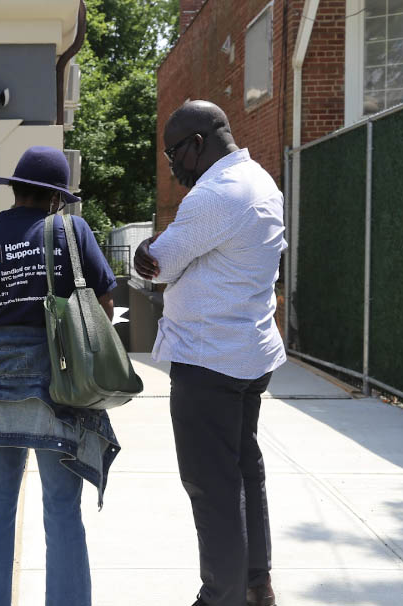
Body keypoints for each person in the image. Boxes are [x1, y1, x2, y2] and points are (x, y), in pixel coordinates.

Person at [0, 146, 121, 606]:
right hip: (60, 393)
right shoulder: (72, 231)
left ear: (17, 190)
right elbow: (103, 307)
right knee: (63, 510)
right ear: (55, 199)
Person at [134, 101, 287, 606]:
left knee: (211, 485)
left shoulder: (214, 195)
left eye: (173, 154)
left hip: (208, 359)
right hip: (249, 354)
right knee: (245, 468)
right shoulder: (261, 181)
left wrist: (152, 254)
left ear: (197, 145)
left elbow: (158, 264)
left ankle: (220, 596)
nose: (172, 167)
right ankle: (255, 584)